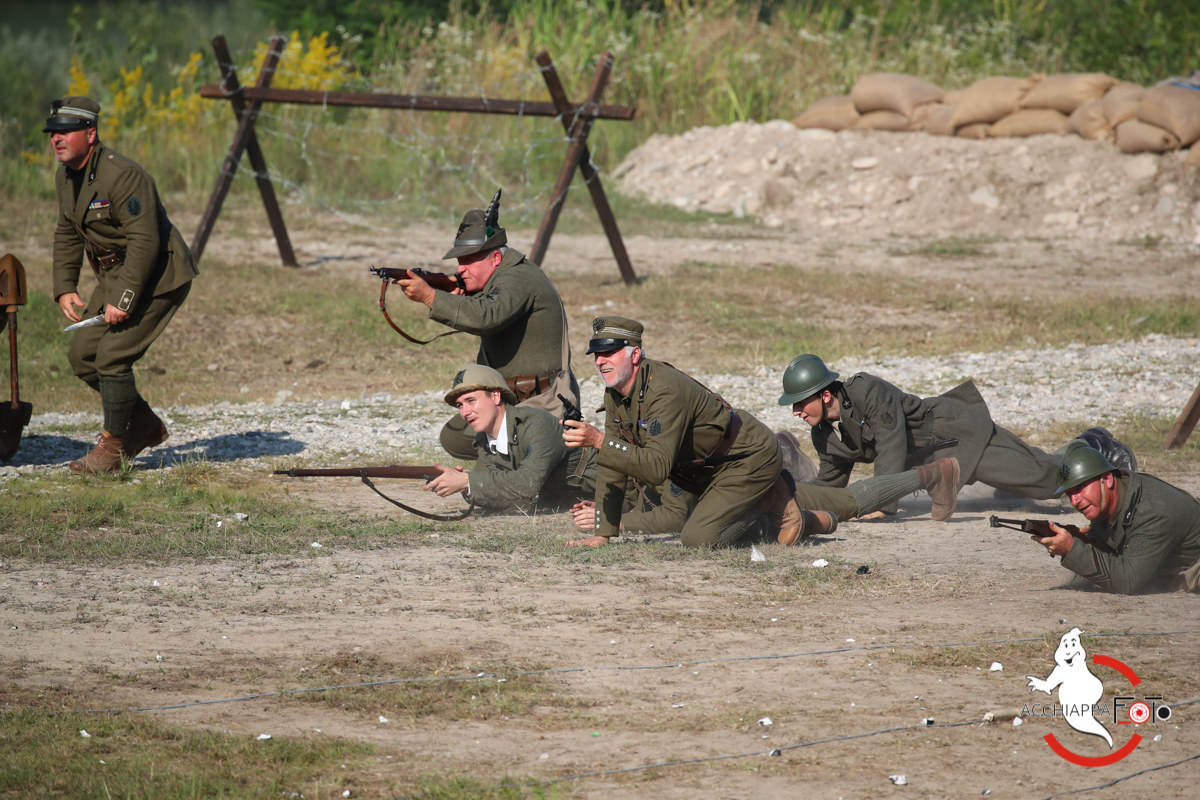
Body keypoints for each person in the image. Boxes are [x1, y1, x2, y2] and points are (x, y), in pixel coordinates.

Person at [561, 317, 961, 548]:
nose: (599, 361)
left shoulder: (662, 390)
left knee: (698, 538)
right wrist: (604, 530)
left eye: (608, 352)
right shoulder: (619, 394)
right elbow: (616, 466)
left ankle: (777, 512)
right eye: (596, 354)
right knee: (844, 500)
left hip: (746, 459)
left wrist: (599, 442)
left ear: (634, 353)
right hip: (712, 473)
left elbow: (655, 467)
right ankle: (931, 475)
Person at [778, 354, 1136, 517]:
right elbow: (831, 480)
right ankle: (1069, 454)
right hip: (940, 466)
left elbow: (891, 445)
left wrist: (881, 506)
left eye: (799, 403)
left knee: (1048, 482)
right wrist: (803, 504)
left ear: (825, 395)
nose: (795, 412)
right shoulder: (825, 435)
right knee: (1021, 488)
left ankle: (1093, 446)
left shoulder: (866, 390)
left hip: (961, 437)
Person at [45, 97, 198, 474]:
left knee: (112, 355)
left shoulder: (124, 176)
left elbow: (145, 242)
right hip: (117, 275)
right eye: (53, 133)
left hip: (159, 275)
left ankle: (113, 448)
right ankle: (144, 424)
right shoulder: (67, 176)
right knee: (82, 355)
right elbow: (67, 231)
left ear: (91, 134)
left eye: (66, 132)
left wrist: (124, 300)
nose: (56, 139)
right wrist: (65, 285)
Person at [395, 189, 580, 460]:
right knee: (455, 437)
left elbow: (486, 315)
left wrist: (430, 296)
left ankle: (536, 465)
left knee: (518, 455)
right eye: (460, 261)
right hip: (510, 399)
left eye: (469, 260)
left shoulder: (519, 279)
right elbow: (489, 306)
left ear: (495, 258)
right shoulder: (502, 278)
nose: (460, 269)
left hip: (541, 403)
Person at [567, 431, 963, 545]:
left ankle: (932, 475)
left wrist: (615, 525)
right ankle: (806, 519)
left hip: (764, 489)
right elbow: (644, 498)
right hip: (741, 502)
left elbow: (672, 514)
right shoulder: (641, 456)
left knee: (851, 501)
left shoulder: (668, 455)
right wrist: (606, 508)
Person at [1033, 444, 1200, 594]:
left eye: (1080, 488)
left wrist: (1072, 549)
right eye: (1069, 493)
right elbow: (1111, 548)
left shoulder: (1152, 512)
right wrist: (1082, 542)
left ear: (1107, 479)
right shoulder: (1111, 498)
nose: (1075, 500)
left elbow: (1129, 582)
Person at [424, 364, 593, 512]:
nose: (464, 412)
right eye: (460, 405)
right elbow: (511, 499)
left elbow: (527, 484)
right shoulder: (484, 441)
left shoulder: (537, 424)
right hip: (574, 503)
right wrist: (466, 487)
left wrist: (468, 481)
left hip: (611, 494)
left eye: (471, 400)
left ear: (496, 396)